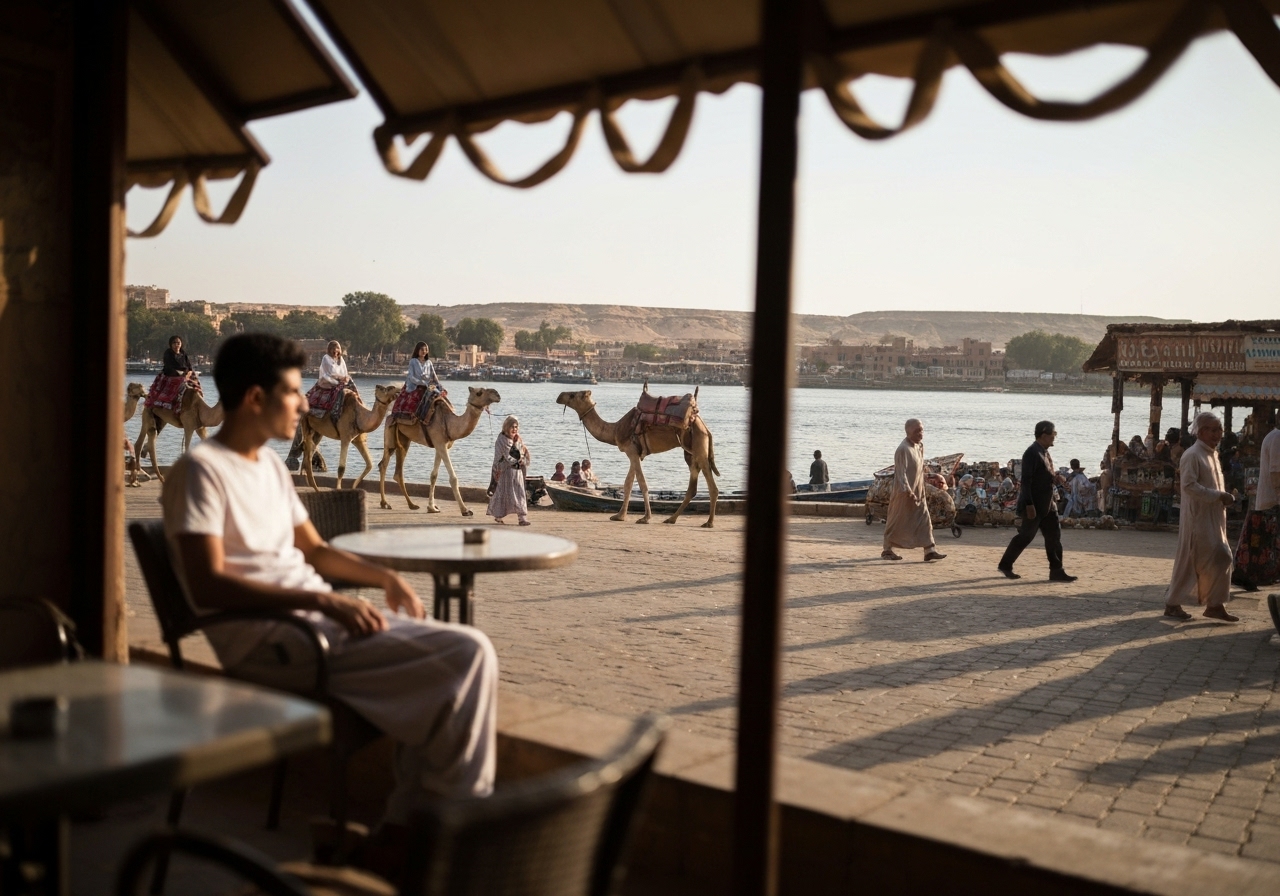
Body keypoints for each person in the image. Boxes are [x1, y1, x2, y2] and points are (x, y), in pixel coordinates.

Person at [161, 333, 497, 834]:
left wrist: (383, 577)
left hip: (310, 624)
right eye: (294, 393)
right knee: (467, 656)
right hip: (275, 641)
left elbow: (315, 550)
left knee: (461, 660)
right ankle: (447, 835)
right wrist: (330, 603)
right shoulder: (200, 473)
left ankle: (411, 827)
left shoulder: (269, 468)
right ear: (256, 398)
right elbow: (209, 585)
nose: (304, 403)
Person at [1164, 412, 1240, 621]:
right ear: (1201, 431)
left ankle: (1214, 604)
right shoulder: (1192, 454)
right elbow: (1188, 486)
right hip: (1197, 518)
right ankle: (1173, 602)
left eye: (1219, 430)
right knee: (1192, 561)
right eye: (1214, 430)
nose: (1218, 434)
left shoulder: (1211, 454)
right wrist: (1218, 496)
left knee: (1221, 557)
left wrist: (1222, 498)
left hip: (1214, 515)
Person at [998, 421, 1076, 582]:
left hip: (1048, 503)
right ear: (1044, 435)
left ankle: (1056, 570)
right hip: (1035, 503)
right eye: (1053, 435)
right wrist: (1029, 505)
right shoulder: (1032, 453)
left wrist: (1056, 478)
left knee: (1054, 536)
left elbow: (1044, 475)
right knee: (1026, 536)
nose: (1054, 438)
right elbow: (1026, 481)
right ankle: (1005, 565)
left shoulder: (1044, 452)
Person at [882, 418, 946, 563]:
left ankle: (930, 549)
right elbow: (901, 474)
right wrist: (908, 491)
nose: (920, 433)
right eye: (917, 431)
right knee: (897, 521)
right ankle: (887, 550)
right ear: (908, 431)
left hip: (918, 491)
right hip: (904, 493)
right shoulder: (903, 449)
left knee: (925, 520)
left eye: (921, 430)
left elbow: (918, 470)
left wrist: (931, 477)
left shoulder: (919, 447)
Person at [1232, 421, 1280, 591]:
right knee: (1264, 543)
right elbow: (1276, 471)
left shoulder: (1273, 436)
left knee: (1262, 542)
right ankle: (1250, 575)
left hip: (1270, 499)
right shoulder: (1277, 438)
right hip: (1272, 500)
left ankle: (1251, 575)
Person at [488, 415, 531, 525]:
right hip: (503, 471)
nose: (514, 429)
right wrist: (519, 460)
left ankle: (522, 518)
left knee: (520, 493)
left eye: (516, 427)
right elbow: (508, 457)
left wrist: (522, 459)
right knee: (502, 494)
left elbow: (522, 451)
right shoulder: (502, 440)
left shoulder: (517, 438)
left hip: (516, 471)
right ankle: (498, 516)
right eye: (512, 427)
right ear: (506, 427)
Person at [310, 340, 355, 425]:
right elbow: (330, 373)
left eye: (337, 348)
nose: (335, 351)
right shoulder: (326, 358)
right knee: (340, 391)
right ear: (329, 350)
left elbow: (345, 372)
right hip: (327, 380)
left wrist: (346, 378)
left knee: (352, 385)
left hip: (340, 380)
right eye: (333, 349)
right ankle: (335, 412)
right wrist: (340, 379)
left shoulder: (340, 359)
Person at [404, 342, 442, 428]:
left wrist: (440, 386)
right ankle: (421, 416)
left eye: (426, 349)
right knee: (429, 393)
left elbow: (434, 376)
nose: (424, 351)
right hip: (415, 386)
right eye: (422, 349)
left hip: (428, 385)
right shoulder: (413, 362)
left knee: (439, 394)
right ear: (417, 350)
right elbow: (410, 376)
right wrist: (422, 383)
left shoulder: (429, 362)